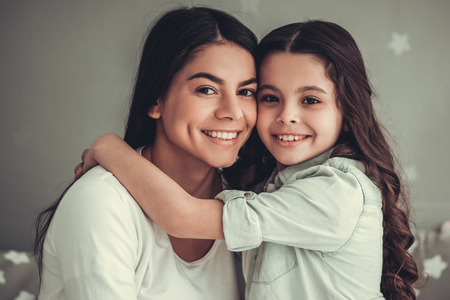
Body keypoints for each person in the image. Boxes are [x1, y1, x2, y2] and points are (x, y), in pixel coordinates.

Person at [79, 20, 419, 299]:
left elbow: (181, 217)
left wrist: (109, 146)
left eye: (311, 100)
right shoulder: (270, 187)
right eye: (269, 97)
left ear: (348, 112)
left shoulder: (337, 191)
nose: (287, 116)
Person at [33, 6, 259, 299]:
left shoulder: (251, 202)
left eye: (246, 92)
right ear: (155, 101)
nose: (232, 112)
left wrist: (107, 145)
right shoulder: (102, 201)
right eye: (206, 90)